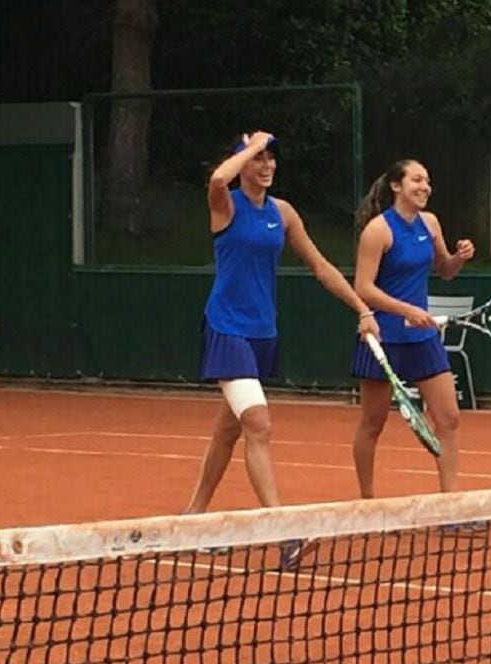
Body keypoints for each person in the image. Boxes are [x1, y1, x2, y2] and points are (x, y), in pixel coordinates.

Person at [184, 130, 380, 568]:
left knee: (229, 430)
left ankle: (191, 520)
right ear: (244, 163)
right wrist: (250, 146)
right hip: (226, 328)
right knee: (258, 424)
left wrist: (361, 307)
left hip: (261, 331)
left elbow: (319, 265)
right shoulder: (226, 204)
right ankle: (283, 531)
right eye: (259, 159)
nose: (267, 165)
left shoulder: (283, 213)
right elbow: (217, 180)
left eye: (272, 159)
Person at [350, 159, 475, 502]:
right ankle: (367, 503)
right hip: (383, 337)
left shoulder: (430, 223)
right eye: (417, 180)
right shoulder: (378, 230)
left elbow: (445, 270)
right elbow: (363, 287)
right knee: (372, 423)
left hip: (422, 338)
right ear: (396, 185)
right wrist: (406, 310)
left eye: (427, 181)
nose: (424, 187)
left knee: (448, 418)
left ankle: (450, 506)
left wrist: (459, 257)